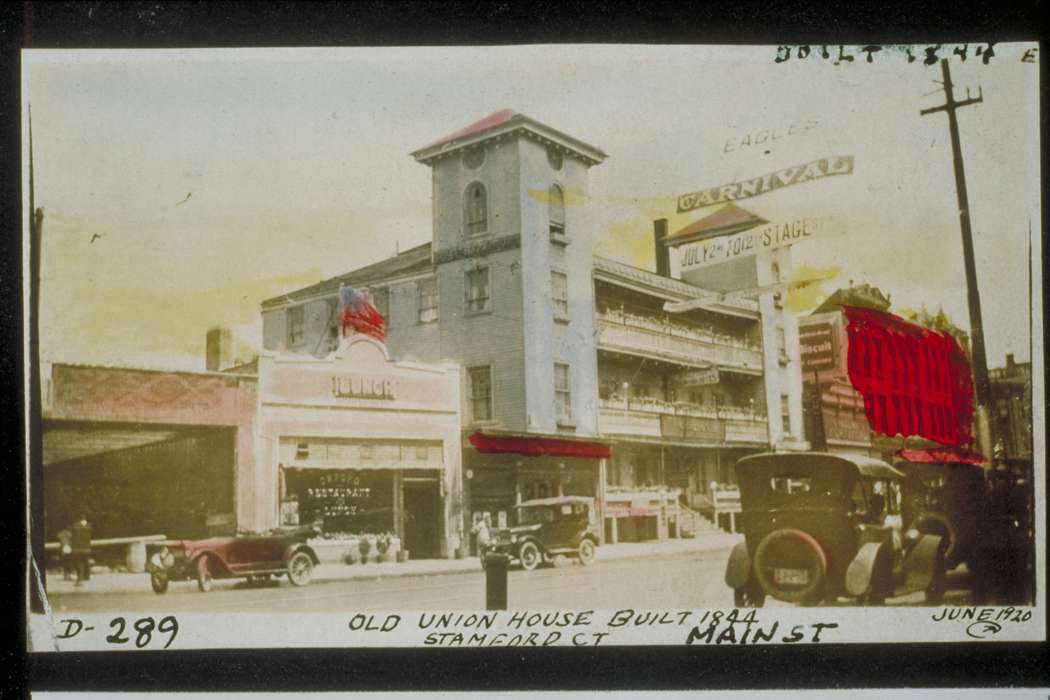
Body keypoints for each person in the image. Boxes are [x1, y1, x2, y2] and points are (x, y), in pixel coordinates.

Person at [71, 516, 92, 586]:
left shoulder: (75, 526)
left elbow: (72, 536)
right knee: (86, 561)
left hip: (78, 548)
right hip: (87, 548)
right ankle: (87, 576)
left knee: (79, 563)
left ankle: (80, 578)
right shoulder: (89, 526)